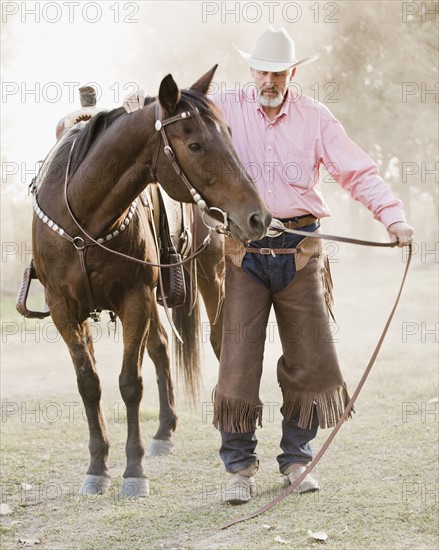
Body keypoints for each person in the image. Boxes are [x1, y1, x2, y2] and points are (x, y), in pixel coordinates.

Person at [123, 27, 414, 504]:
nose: (269, 79)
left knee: (308, 360)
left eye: (278, 72)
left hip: (300, 250)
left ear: (292, 73)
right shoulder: (228, 108)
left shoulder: (316, 117)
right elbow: (178, 115)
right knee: (237, 363)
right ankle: (239, 468)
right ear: (252, 70)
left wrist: (393, 217)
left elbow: (356, 170)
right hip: (245, 252)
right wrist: (142, 99)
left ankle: (296, 460)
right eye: (262, 70)